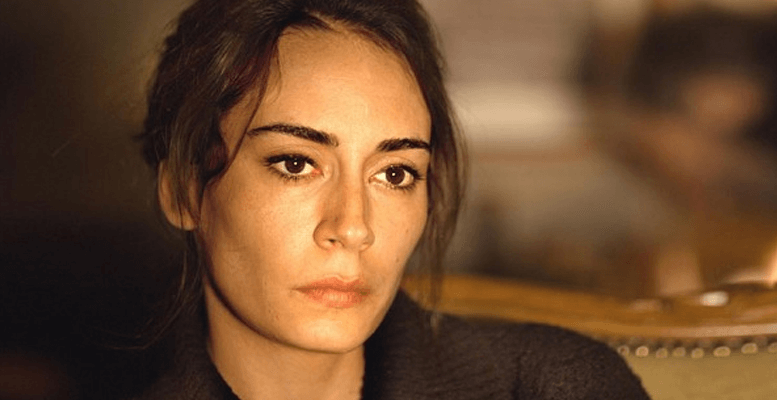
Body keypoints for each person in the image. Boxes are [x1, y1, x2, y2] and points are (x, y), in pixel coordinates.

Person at [135, 0, 650, 399]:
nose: (353, 227)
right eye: (296, 164)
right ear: (184, 190)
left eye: (395, 173)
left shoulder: (553, 386)